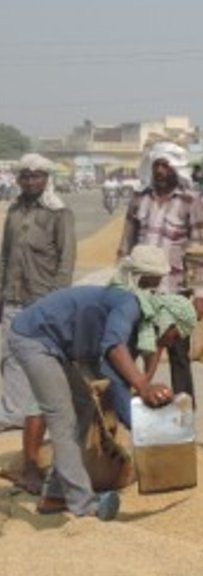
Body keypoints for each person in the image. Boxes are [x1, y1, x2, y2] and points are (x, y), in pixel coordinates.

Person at [7, 283, 195, 520]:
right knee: (62, 417)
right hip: (34, 338)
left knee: (84, 406)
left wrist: (140, 428)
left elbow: (112, 376)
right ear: (168, 321)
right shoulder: (130, 306)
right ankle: (83, 505)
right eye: (175, 335)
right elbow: (113, 346)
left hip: (55, 346)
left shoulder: (140, 323)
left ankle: (55, 495)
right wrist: (143, 385)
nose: (171, 342)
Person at [0, 153, 77, 494]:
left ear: (46, 179)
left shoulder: (60, 214)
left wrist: (57, 302)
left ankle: (36, 423)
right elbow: (5, 255)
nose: (30, 182)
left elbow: (66, 260)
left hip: (43, 300)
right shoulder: (14, 212)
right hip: (14, 297)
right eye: (25, 176)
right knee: (10, 358)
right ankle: (14, 416)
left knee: (41, 363)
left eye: (36, 177)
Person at [118, 142, 203, 403]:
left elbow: (200, 251)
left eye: (165, 166)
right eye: (157, 165)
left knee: (179, 355)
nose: (160, 171)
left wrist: (200, 294)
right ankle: (129, 409)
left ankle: (185, 413)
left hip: (175, 289)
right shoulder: (139, 198)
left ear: (175, 170)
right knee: (133, 350)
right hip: (140, 290)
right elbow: (126, 245)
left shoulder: (191, 202)